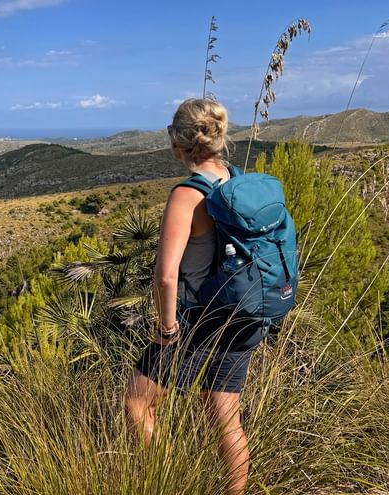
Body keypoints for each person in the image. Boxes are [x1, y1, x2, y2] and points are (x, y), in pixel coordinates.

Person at [124, 98, 264, 495]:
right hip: (243, 310)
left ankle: (170, 484)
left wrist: (167, 328)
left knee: (138, 403)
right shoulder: (237, 180)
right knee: (225, 418)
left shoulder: (187, 194)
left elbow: (166, 276)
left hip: (197, 318)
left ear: (178, 142)